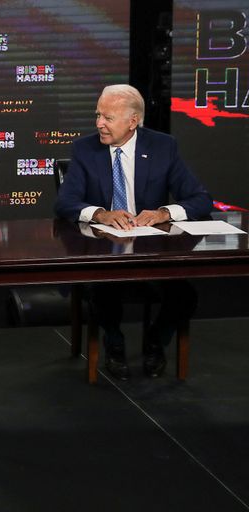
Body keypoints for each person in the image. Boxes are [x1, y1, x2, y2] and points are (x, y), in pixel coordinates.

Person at [55, 84, 212, 380]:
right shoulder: (85, 149)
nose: (99, 123)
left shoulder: (163, 147)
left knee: (184, 295)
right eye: (98, 114)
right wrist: (101, 213)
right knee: (103, 289)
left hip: (153, 252)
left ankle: (155, 342)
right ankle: (114, 343)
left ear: (133, 121)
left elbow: (200, 199)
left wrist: (163, 212)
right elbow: (65, 202)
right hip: (103, 252)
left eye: (108, 118)